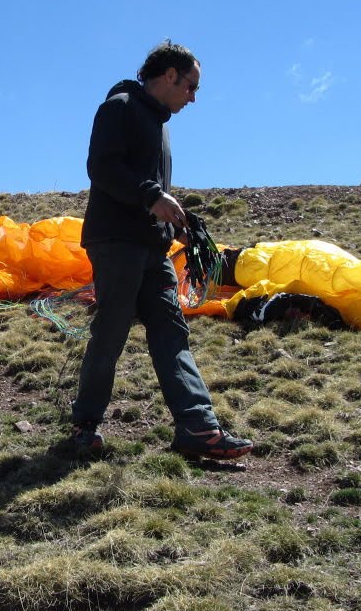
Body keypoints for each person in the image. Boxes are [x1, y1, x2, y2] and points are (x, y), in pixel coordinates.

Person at [70, 41, 254, 461]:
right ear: (169, 75)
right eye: (191, 86)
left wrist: (176, 222)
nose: (193, 97)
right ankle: (85, 425)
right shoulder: (119, 106)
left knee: (172, 331)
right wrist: (152, 196)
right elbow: (102, 168)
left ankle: (197, 426)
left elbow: (148, 190)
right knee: (111, 332)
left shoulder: (159, 123)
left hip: (152, 247)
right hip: (115, 242)